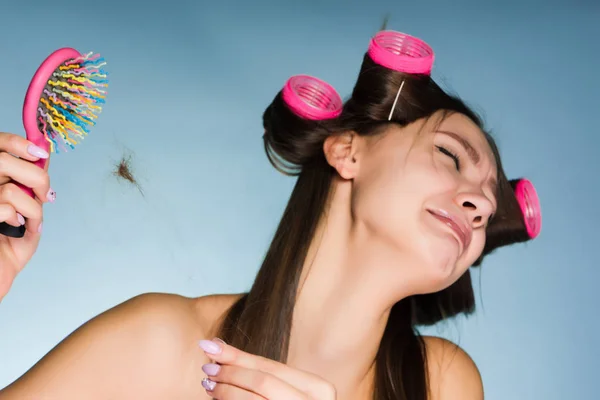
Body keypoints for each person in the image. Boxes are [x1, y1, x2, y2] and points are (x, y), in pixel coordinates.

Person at [0, 30, 540, 400]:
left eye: (489, 202)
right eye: (449, 156)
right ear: (347, 151)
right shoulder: (160, 343)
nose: (483, 204)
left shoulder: (441, 383)